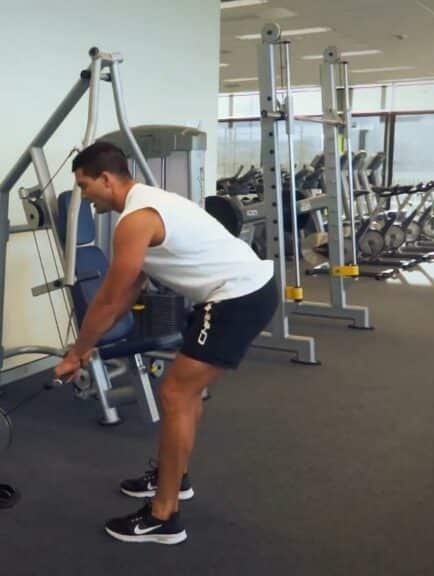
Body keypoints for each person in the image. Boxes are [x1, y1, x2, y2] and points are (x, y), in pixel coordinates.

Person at [53, 141, 277, 545]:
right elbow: (128, 291)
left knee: (175, 393)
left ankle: (164, 516)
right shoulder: (147, 204)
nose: (84, 196)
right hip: (240, 292)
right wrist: (87, 346)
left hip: (236, 297)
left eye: (85, 186)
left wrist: (78, 350)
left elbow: (109, 296)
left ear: (106, 179)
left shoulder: (136, 219)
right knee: (184, 395)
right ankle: (175, 479)